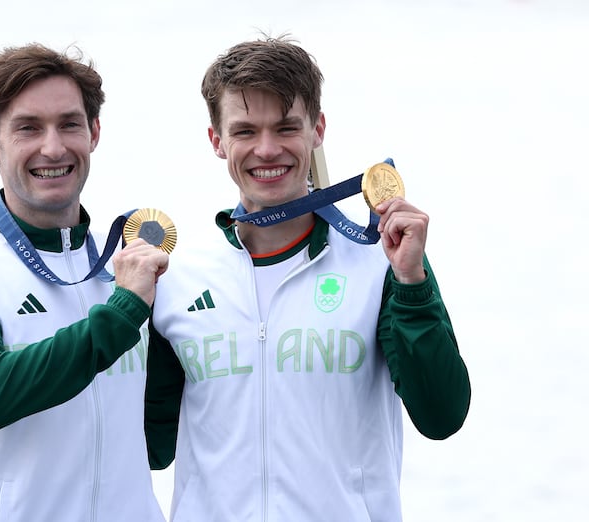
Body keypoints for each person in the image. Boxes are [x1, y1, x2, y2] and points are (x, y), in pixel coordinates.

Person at [144, 35, 471, 521]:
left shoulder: (383, 262)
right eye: (245, 131)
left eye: (286, 127)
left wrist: (412, 282)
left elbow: (441, 416)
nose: (267, 149)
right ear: (216, 140)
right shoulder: (176, 278)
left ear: (317, 129)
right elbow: (151, 449)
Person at [0, 43, 169, 522]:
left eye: (69, 124)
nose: (53, 147)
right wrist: (124, 311)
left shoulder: (123, 262)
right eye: (28, 128)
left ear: (94, 133)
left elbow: (155, 444)